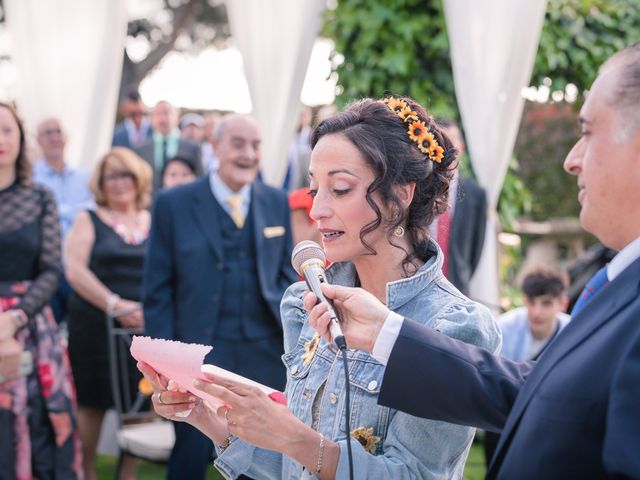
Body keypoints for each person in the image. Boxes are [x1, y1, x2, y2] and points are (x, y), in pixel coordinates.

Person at [305, 43, 640, 479]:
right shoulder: (613, 280)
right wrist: (387, 334)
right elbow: (541, 389)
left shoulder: (458, 319)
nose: (570, 159)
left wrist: (294, 441)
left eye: (588, 131)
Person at [140, 97, 501, 479]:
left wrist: (295, 439)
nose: (316, 210)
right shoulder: (306, 305)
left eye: (340, 189)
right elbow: (294, 470)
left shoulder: (453, 329)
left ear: (400, 195)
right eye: (315, 190)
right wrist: (209, 417)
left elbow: (415, 475)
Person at [143, 113, 298, 480]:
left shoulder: (274, 201)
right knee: (191, 448)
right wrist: (166, 359)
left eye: (256, 145)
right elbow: (157, 289)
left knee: (269, 451)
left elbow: (284, 275)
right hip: (200, 352)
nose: (248, 154)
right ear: (215, 148)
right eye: (238, 144)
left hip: (265, 350)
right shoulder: (174, 204)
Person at [0, 102, 81, 479]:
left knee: (39, 426)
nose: (0, 139)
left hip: (30, 322)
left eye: (7, 130)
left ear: (20, 138)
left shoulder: (39, 198)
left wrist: (15, 317)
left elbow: (51, 270)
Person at [65, 147, 152, 480]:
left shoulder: (153, 218)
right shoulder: (88, 218)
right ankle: (85, 471)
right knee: (92, 404)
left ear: (138, 178)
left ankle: (126, 474)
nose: (119, 183)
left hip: (143, 328)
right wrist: (115, 304)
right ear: (101, 183)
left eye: (125, 174)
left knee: (141, 400)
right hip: (95, 328)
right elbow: (74, 270)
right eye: (110, 176)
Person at [483, 266, 571, 464]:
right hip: (507, 409)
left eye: (546, 303)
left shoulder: (573, 331)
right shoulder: (503, 328)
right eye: (531, 302)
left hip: (552, 410)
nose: (536, 312)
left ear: (562, 303)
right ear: (524, 300)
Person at [32, 117, 94, 324]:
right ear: (38, 140)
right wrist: (76, 211)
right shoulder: (31, 180)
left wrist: (59, 211)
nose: (54, 137)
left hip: (83, 269)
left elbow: (95, 212)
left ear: (66, 138)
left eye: (58, 131)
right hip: (46, 271)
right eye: (48, 133)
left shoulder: (85, 176)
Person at [431, 118, 487, 296]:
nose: (444, 149)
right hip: (420, 282)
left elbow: (476, 248)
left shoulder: (476, 195)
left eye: (450, 142)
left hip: (457, 287)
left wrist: (463, 275)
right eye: (439, 142)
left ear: (461, 148)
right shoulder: (416, 188)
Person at [135, 100, 202, 191]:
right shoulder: (141, 149)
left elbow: (200, 179)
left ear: (178, 117)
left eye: (167, 113)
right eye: (158, 114)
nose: (162, 119)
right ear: (151, 118)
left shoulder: (192, 148)